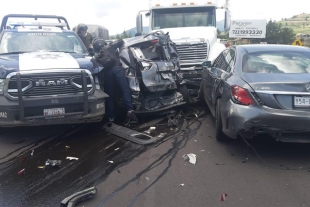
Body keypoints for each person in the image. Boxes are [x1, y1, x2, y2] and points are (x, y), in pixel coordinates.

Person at [92, 37, 138, 123]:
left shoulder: (96, 56)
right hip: (117, 69)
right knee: (125, 90)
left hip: (107, 73)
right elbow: (121, 41)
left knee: (110, 95)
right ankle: (129, 110)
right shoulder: (109, 47)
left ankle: (111, 117)